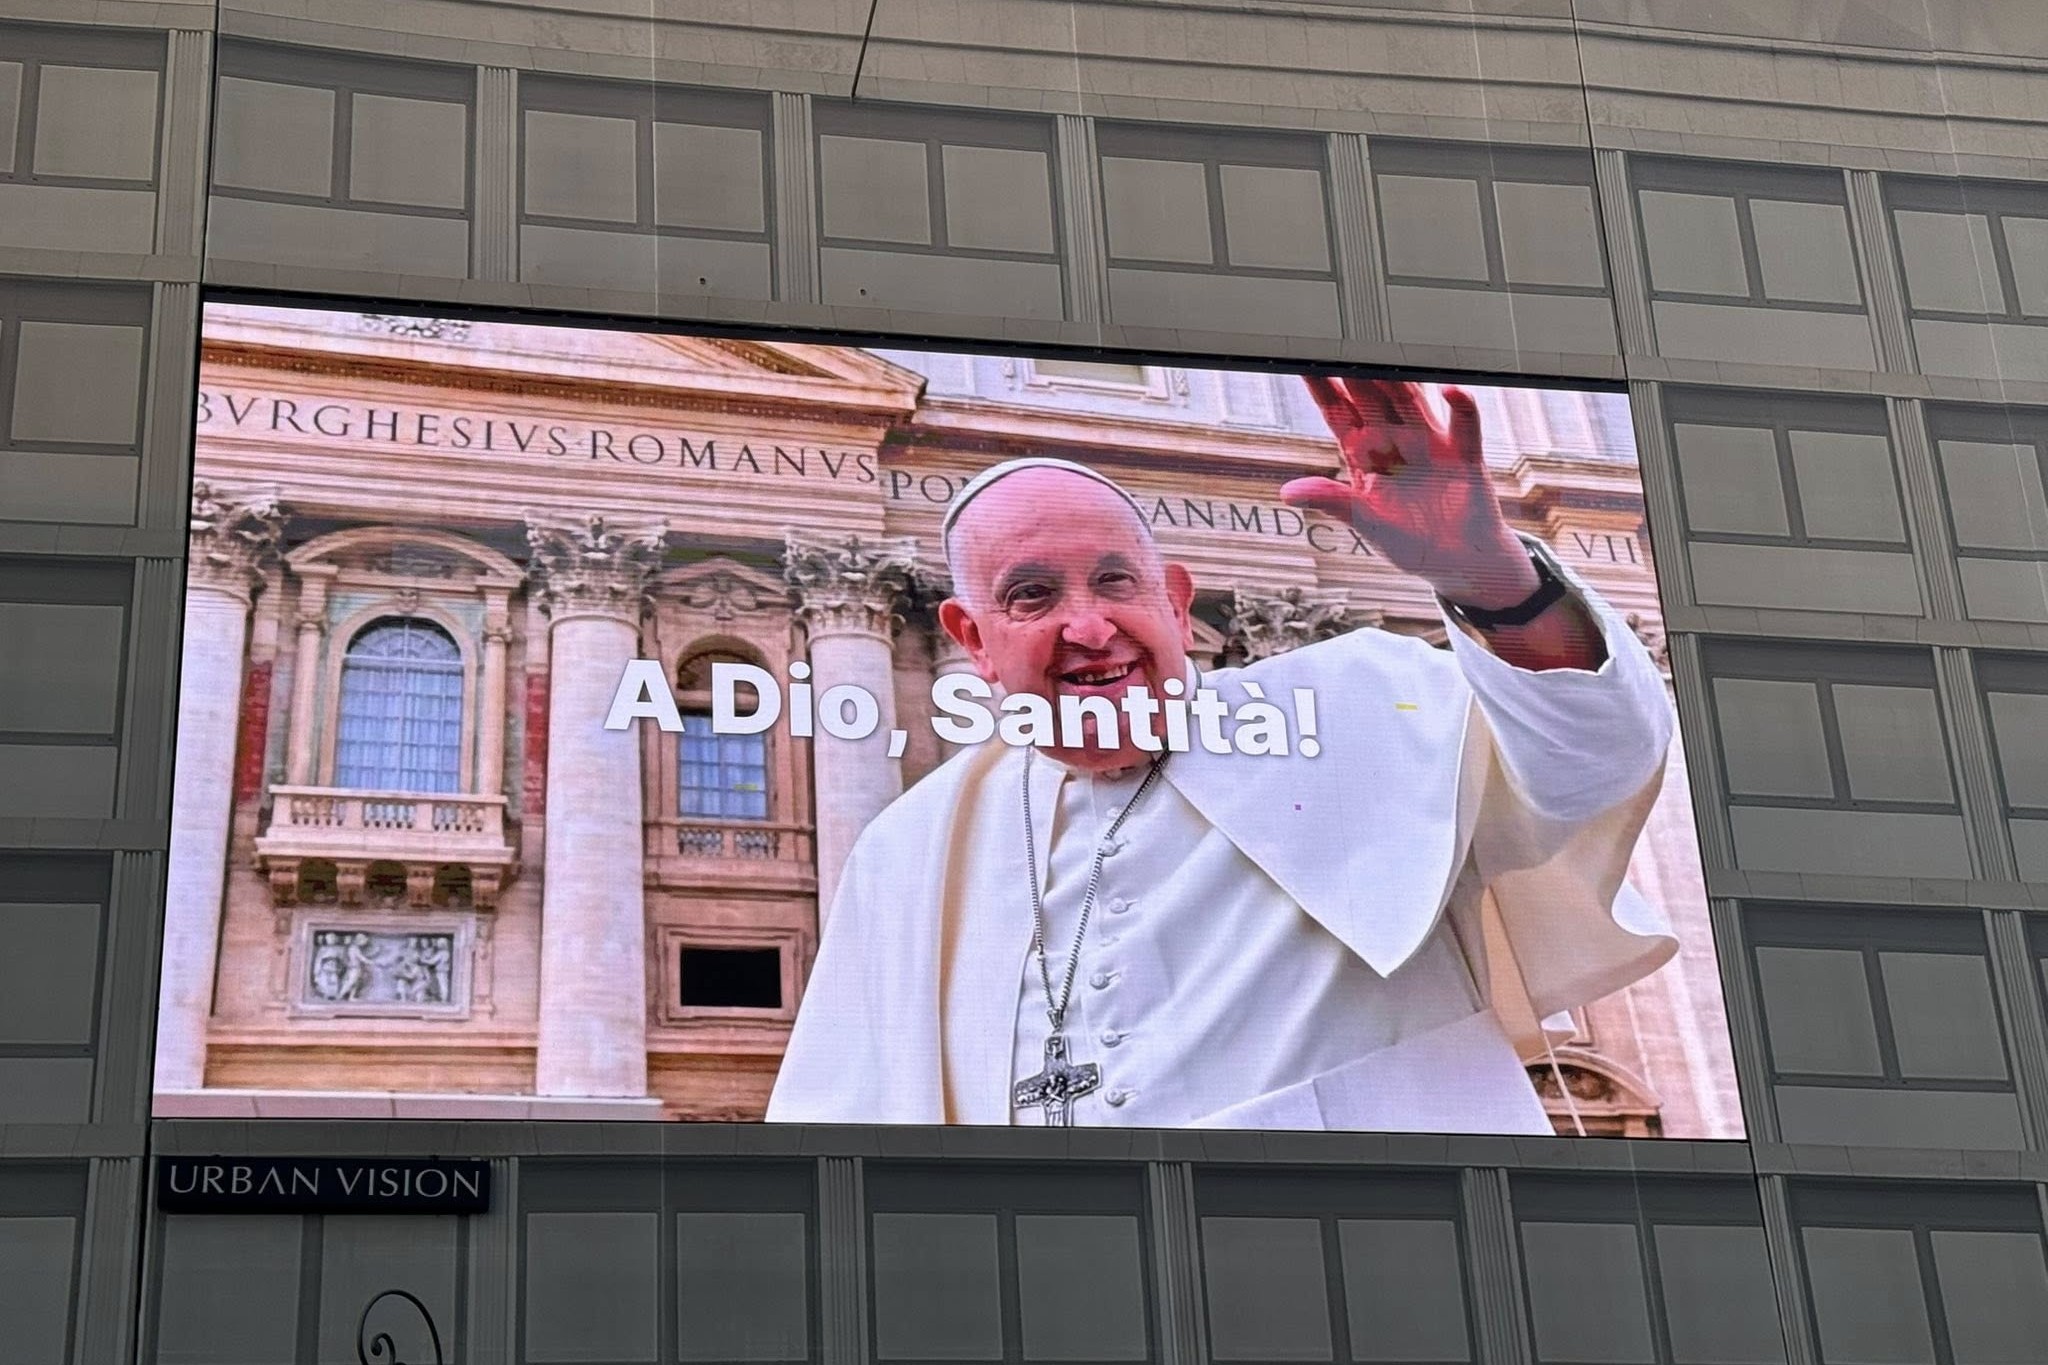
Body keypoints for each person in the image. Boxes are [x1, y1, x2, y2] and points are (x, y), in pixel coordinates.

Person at [767, 376, 1676, 1132]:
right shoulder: (906, 848)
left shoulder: (1359, 704)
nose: (1090, 627)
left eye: (1117, 582)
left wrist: (1492, 581)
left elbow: (1593, 756)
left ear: (1173, 598)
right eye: (1034, 595)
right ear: (973, 637)